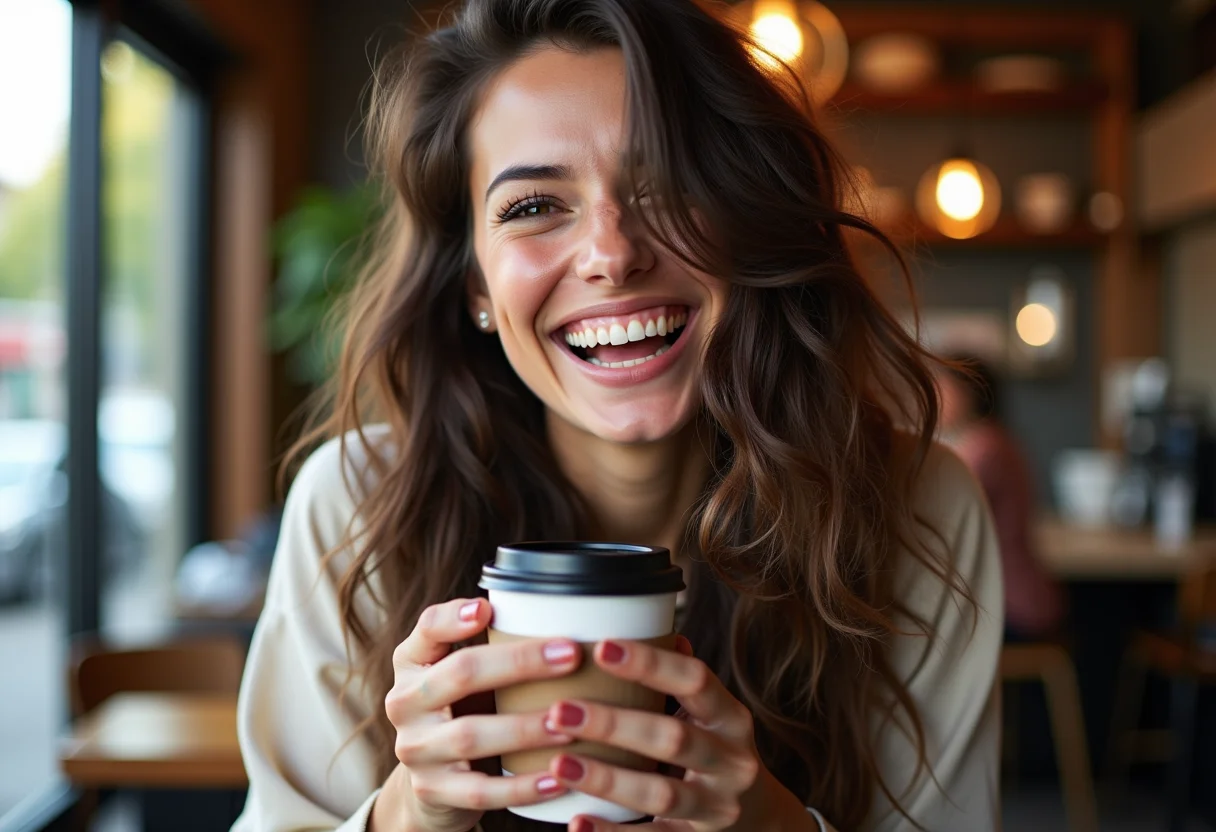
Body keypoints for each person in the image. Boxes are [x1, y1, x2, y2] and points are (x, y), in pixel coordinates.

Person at [231, 2, 1003, 830]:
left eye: (666, 185)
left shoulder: (915, 504)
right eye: (533, 207)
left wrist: (770, 824)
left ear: (746, 222)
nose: (613, 252)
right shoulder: (359, 502)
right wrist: (408, 814)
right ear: (477, 289)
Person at [937, 355, 1064, 640]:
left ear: (967, 393)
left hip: (1010, 603)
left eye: (942, 387)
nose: (933, 396)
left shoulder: (985, 448)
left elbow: (943, 515)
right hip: (1012, 596)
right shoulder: (993, 441)